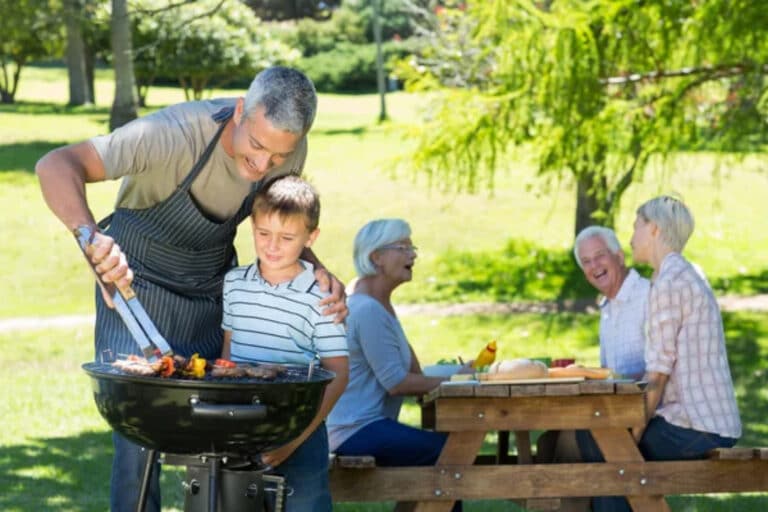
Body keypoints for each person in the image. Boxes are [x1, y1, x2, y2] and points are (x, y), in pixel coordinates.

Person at [35, 66, 347, 512]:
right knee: (138, 432)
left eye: (278, 157)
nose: (263, 166)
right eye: (257, 147)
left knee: (229, 420)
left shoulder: (288, 144)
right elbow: (56, 164)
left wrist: (315, 269)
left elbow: (279, 221)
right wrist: (91, 239)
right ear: (239, 112)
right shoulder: (174, 134)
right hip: (135, 283)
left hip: (211, 288)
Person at [581, 196, 742, 512]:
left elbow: (657, 375)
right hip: (708, 422)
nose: (631, 238)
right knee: (608, 446)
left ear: (654, 229)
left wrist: (634, 432)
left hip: (697, 426)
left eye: (636, 227)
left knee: (610, 452)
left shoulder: (669, 283)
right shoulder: (683, 273)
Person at [220, 175, 348, 511]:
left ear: (310, 237)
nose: (272, 246)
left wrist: (294, 440)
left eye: (287, 237)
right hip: (240, 423)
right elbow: (228, 354)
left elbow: (338, 373)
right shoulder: (234, 284)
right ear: (252, 227)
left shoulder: (323, 297)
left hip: (300, 428)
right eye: (263, 233)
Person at [326, 218, 463, 511]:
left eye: (412, 247)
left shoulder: (376, 303)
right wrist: (461, 380)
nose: (413, 255)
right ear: (376, 257)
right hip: (352, 432)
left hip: (363, 428)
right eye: (403, 247)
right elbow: (398, 383)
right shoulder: (366, 309)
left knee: (446, 452)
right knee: (450, 453)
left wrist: (460, 373)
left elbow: (414, 372)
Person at [574, 225, 649, 380]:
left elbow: (662, 370)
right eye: (586, 261)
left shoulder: (648, 295)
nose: (594, 266)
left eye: (600, 255)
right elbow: (609, 374)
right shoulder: (607, 307)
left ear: (619, 257)